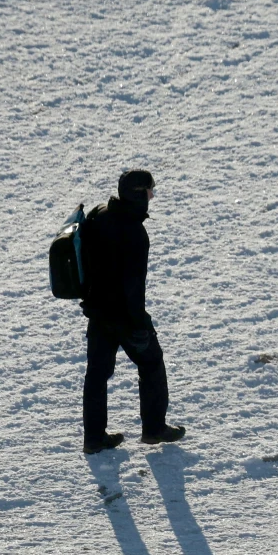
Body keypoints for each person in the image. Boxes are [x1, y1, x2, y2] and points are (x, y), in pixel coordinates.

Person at [79, 169, 185, 454]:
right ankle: (153, 429)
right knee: (151, 363)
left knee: (97, 374)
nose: (152, 196)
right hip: (123, 316)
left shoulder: (98, 214)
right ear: (139, 195)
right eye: (150, 191)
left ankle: (93, 438)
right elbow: (134, 286)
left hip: (97, 312)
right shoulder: (135, 234)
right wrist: (140, 324)